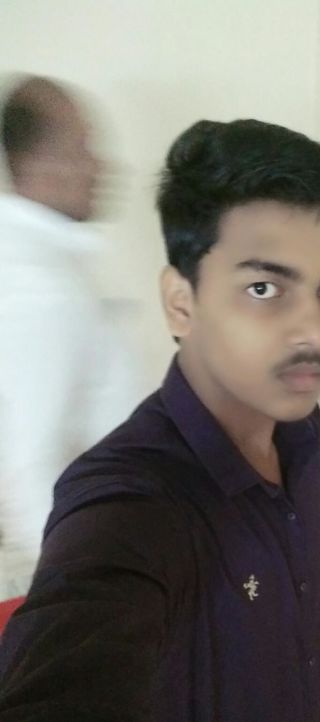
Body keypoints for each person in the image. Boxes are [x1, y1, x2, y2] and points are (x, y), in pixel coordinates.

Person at [0, 117, 320, 722]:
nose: (314, 332)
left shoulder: (300, 426)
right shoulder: (134, 504)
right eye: (264, 286)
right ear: (181, 302)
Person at [0, 75, 141, 600]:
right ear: (39, 165)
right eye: (82, 148)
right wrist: (97, 594)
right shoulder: (38, 289)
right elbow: (27, 468)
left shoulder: (44, 262)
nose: (100, 166)